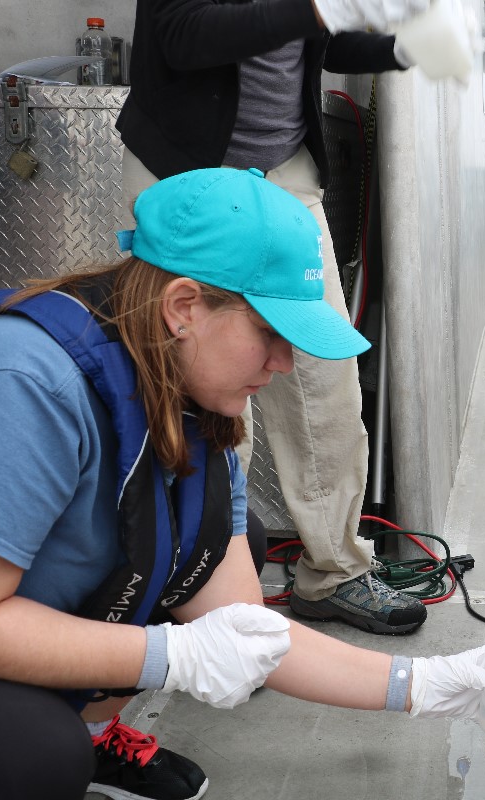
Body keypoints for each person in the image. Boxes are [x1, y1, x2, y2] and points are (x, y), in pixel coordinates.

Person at [0, 168, 485, 800]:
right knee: (27, 756)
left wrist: (425, 685)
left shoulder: (192, 399)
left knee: (220, 545)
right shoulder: (20, 386)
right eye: (270, 335)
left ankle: (93, 738)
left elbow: (241, 628)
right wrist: (169, 655)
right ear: (182, 307)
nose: (284, 364)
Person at [117, 0, 432, 639]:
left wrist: (407, 47)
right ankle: (209, 595)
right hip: (189, 180)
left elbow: (318, 44)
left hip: (283, 173)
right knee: (204, 386)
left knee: (324, 374)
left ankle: (336, 573)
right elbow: (182, 37)